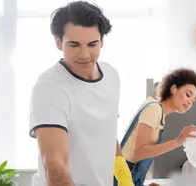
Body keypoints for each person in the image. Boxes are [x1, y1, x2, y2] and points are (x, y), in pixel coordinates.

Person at [28, 1, 133, 186]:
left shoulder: (111, 76)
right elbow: (54, 163)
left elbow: (106, 129)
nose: (84, 54)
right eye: (74, 45)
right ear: (59, 43)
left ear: (102, 41)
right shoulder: (50, 88)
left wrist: (122, 172)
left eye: (92, 44)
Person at [115, 68, 196, 186]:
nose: (189, 103)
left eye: (193, 101)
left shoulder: (159, 113)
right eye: (188, 95)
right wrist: (178, 141)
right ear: (173, 88)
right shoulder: (154, 109)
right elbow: (138, 152)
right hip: (124, 177)